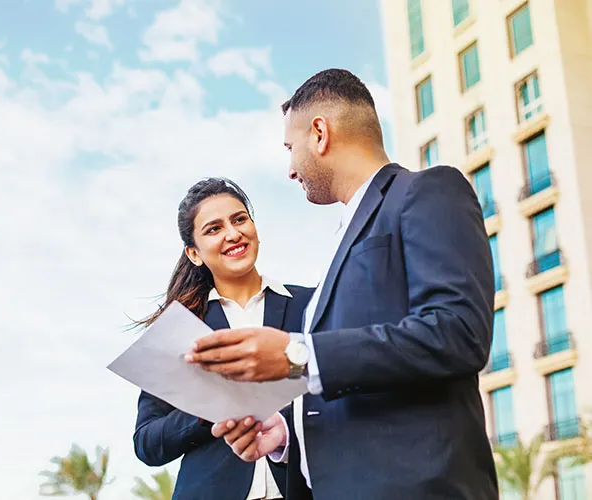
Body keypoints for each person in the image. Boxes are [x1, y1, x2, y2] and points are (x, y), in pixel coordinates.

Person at [185, 69, 500, 499]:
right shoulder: (341, 236)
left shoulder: (427, 191)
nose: (291, 169)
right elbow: (363, 378)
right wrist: (287, 434)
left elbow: (457, 333)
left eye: (290, 148)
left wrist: (296, 356)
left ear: (319, 133)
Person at [132, 177, 314, 500]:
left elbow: (340, 393)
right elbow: (147, 443)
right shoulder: (179, 331)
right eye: (214, 229)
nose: (233, 234)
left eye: (239, 219)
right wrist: (206, 411)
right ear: (194, 253)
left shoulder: (313, 305)